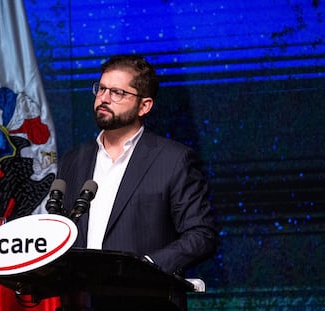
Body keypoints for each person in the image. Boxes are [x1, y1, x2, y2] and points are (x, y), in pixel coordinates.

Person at [57, 54, 217, 276]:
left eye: (117, 93)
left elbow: (201, 234)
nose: (104, 98)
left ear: (144, 106)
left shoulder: (173, 159)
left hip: (144, 299)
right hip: (80, 299)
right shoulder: (72, 160)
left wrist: (146, 267)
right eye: (101, 89)